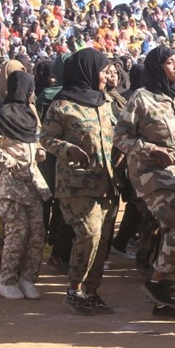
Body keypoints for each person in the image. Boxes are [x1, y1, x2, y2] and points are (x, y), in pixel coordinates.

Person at [114, 46, 175, 321]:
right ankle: (157, 280)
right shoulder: (142, 97)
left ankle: (163, 295)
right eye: (170, 63)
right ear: (156, 67)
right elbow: (120, 138)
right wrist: (151, 149)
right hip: (150, 172)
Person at [40, 48, 120, 314]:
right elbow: (45, 139)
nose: (106, 74)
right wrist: (67, 149)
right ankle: (75, 289)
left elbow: (118, 135)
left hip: (107, 182)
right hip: (76, 184)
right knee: (88, 233)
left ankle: (92, 290)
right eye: (101, 69)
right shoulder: (62, 105)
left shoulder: (107, 102)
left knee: (103, 238)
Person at [0, 71, 50, 300]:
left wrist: (40, 151)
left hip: (32, 182)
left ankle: (28, 279)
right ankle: (7, 280)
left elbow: (35, 140)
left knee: (37, 233)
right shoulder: (3, 114)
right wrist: (6, 159)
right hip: (10, 185)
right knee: (17, 232)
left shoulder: (29, 114)